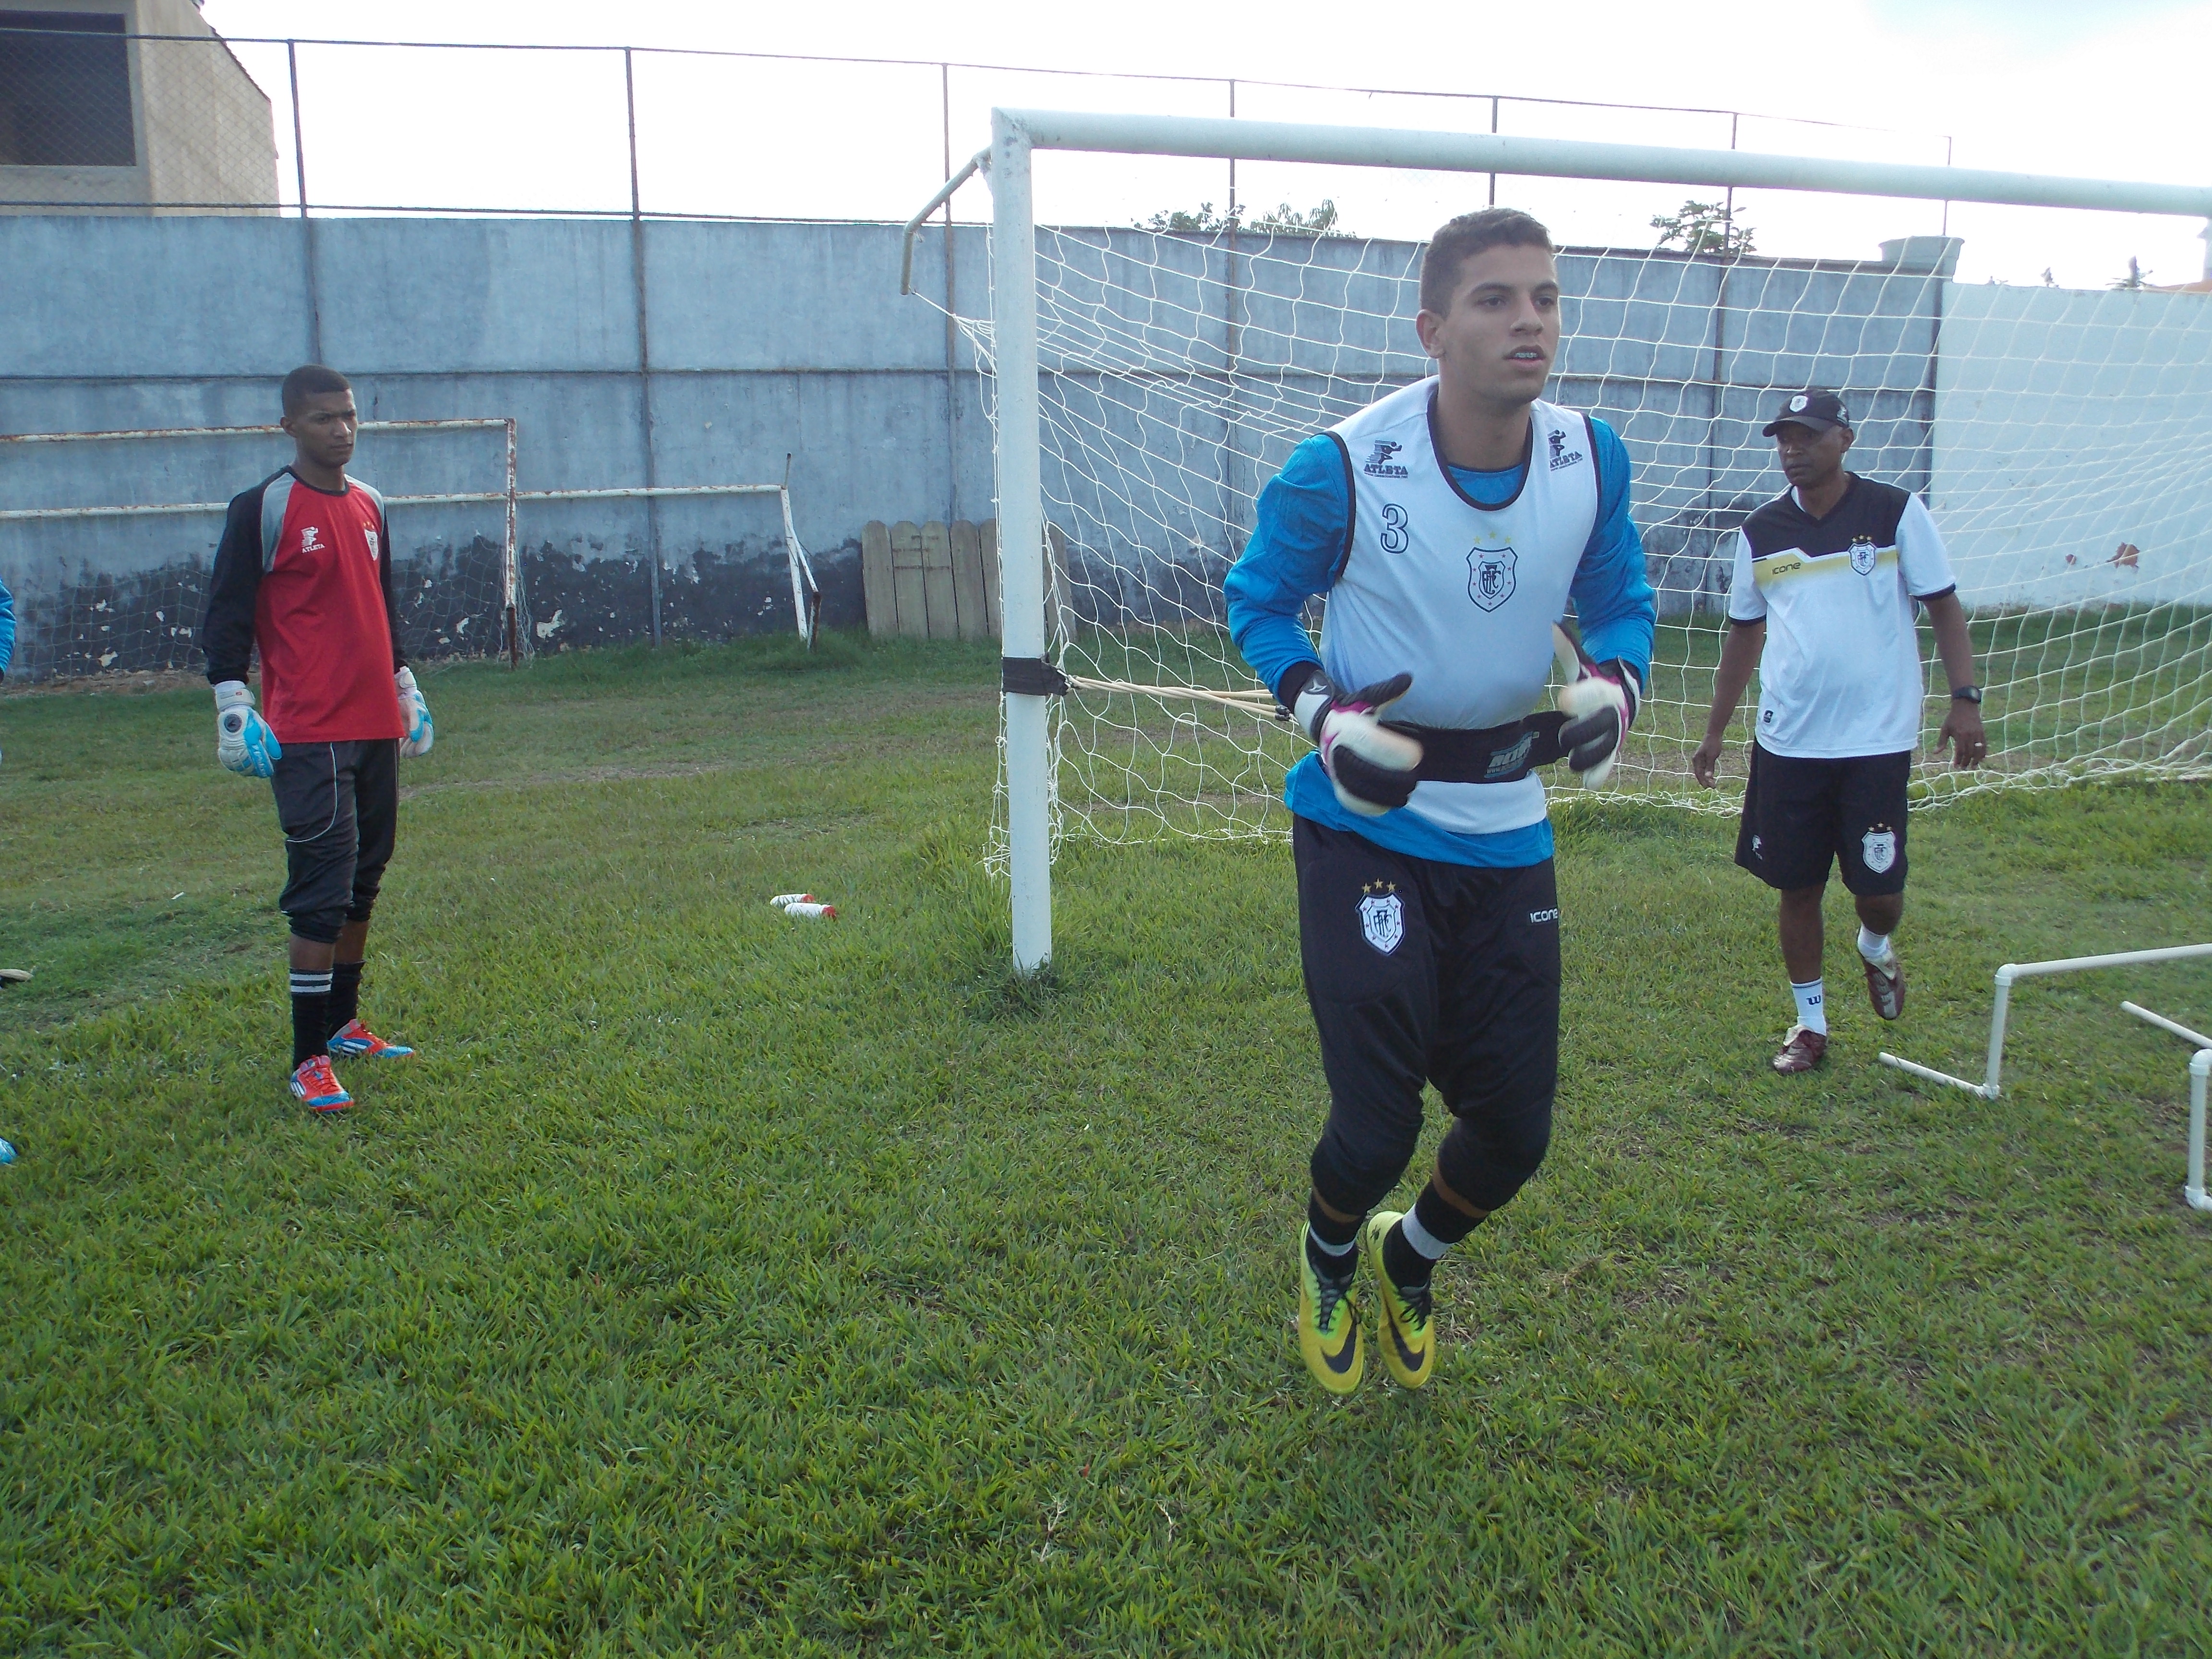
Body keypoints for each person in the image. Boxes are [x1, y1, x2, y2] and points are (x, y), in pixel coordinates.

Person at [1225, 208, 1655, 1395]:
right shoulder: (1346, 465)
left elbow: (1622, 596)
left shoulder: (1591, 457)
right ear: (1433, 327)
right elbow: (1256, 599)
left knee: (1515, 1135)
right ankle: (1324, 1255)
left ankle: (1408, 1260)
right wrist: (1323, 714)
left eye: (1547, 298)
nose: (1530, 320)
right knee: (1374, 1131)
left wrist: (1616, 686)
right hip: (1366, 823)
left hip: (1509, 828)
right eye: (1497, 299)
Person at [1691, 389, 1984, 1075]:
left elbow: (1943, 606)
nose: (1792, 450)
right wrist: (1714, 733)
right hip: (1789, 740)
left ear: (1845, 439)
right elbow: (1743, 635)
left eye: (1808, 437)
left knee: (1878, 892)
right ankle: (1810, 1024)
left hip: (1877, 740)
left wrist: (1964, 699)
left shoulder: (1894, 512)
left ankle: (1877, 948)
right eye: (1784, 438)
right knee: (1797, 886)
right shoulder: (1760, 531)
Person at [203, 364, 434, 1111]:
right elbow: (228, 610)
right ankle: (306, 1060)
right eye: (325, 419)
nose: (343, 429)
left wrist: (405, 684)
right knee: (320, 894)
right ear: (290, 427)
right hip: (308, 732)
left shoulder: (371, 505)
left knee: (367, 877)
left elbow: (382, 604)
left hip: (376, 727)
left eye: (351, 416)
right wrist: (232, 703)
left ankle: (343, 1026)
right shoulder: (264, 508)